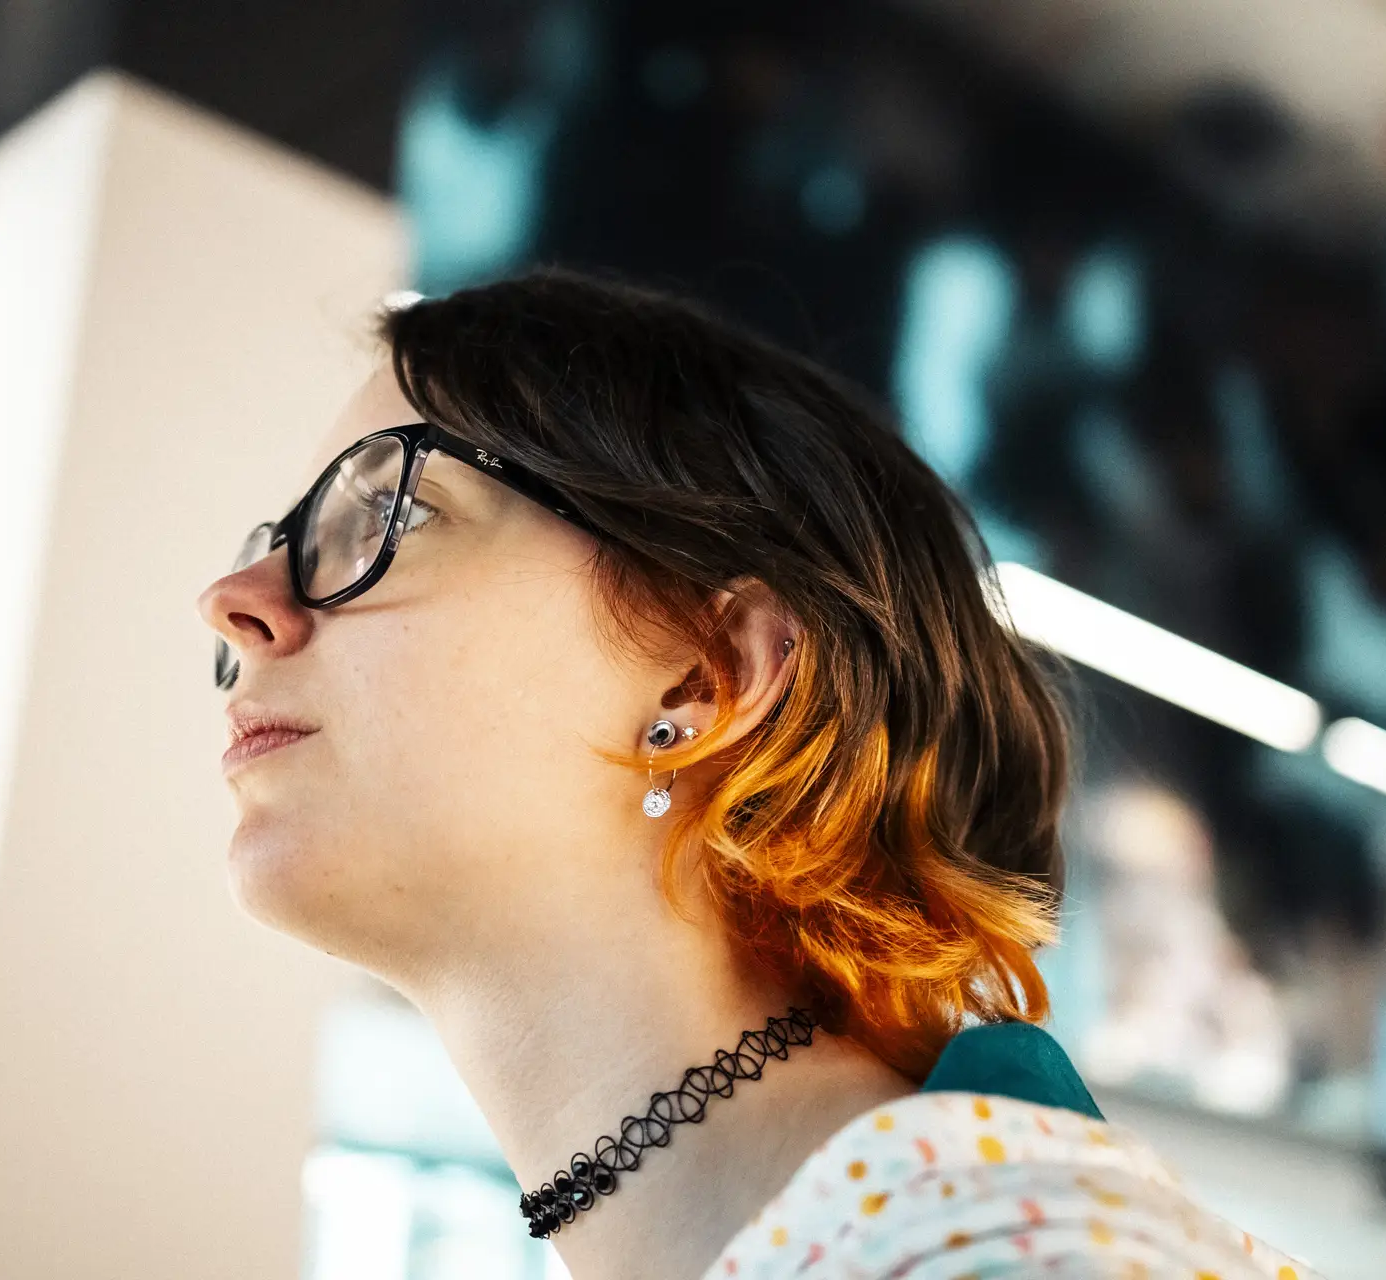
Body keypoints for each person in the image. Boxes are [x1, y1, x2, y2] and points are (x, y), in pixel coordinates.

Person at [198, 268, 1317, 1279]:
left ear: (709, 674)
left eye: (392, 509)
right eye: (278, 538)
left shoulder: (991, 1254)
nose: (233, 600)